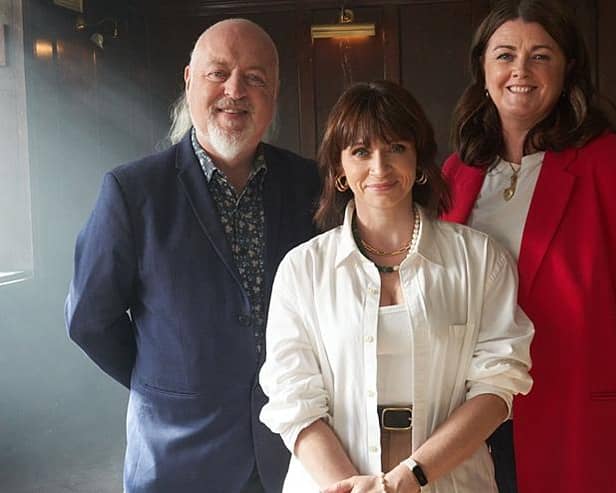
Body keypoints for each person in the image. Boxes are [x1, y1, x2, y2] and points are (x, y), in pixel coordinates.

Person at [65, 18, 320, 493]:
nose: (235, 90)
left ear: (275, 91)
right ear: (188, 80)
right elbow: (89, 320)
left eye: (255, 77)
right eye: (218, 73)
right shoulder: (132, 191)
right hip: (177, 460)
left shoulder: (309, 185)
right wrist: (162, 379)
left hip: (293, 453)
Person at [258, 80, 533, 493]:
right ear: (340, 171)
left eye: (396, 148)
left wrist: (413, 477)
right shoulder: (303, 270)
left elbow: (498, 387)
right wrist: (351, 488)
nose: (380, 168)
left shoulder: (480, 260)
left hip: (452, 483)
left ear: (419, 159)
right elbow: (292, 399)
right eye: (361, 152)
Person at [442, 1, 616, 492]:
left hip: (574, 412)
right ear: (483, 67)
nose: (520, 70)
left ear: (568, 69)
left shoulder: (606, 163)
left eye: (540, 55)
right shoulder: (457, 171)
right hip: (470, 418)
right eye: (504, 55)